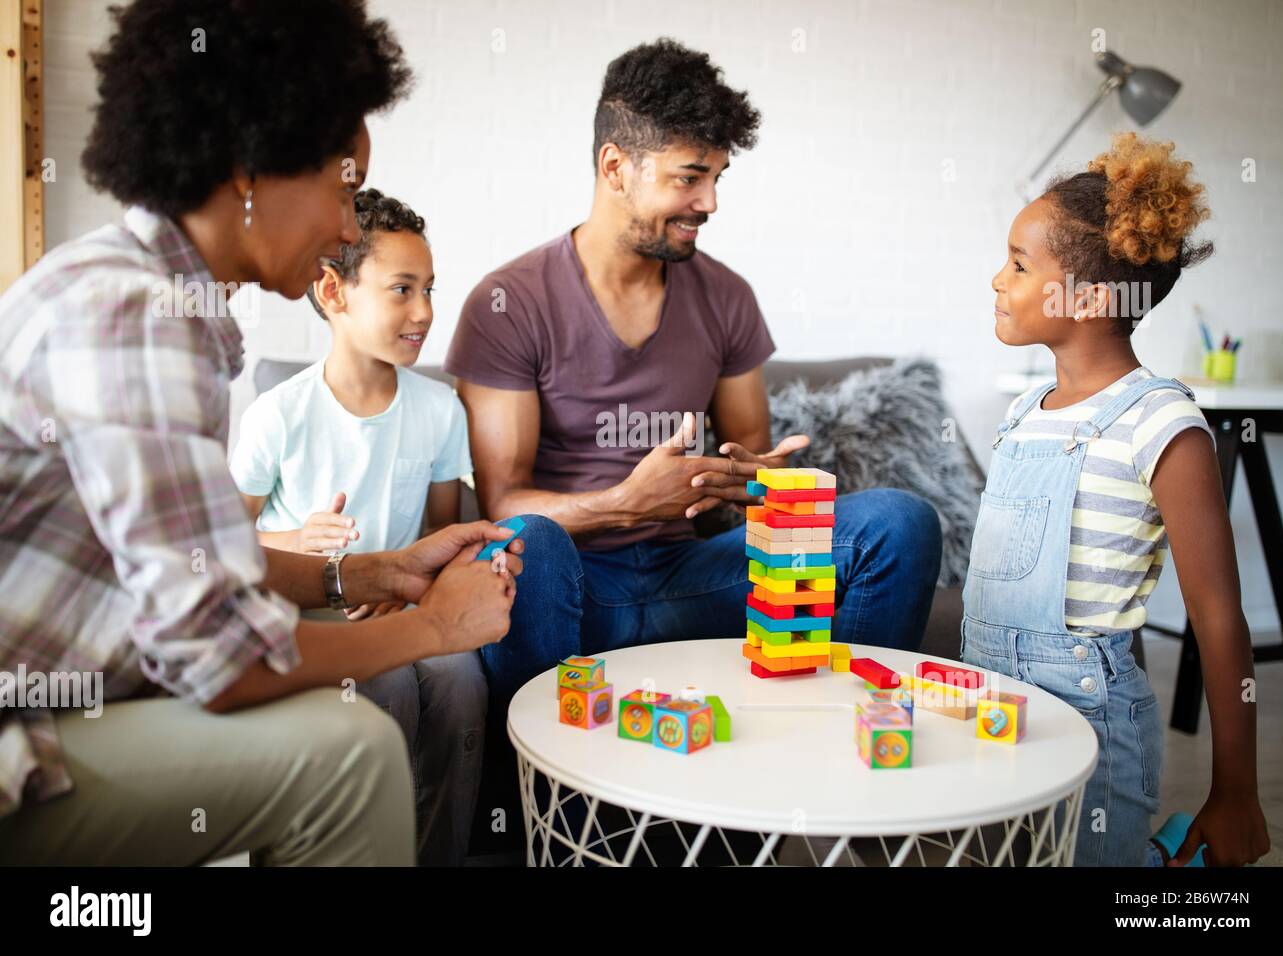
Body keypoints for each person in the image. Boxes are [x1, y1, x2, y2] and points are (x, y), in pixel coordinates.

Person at [0, 0, 520, 866]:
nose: (347, 228)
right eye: (343, 187)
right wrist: (434, 628)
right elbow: (216, 656)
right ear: (250, 169)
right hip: (23, 734)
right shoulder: (138, 313)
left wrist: (377, 570)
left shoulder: (142, 292)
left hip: (60, 693)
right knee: (350, 753)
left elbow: (189, 566)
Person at [445, 38, 943, 688]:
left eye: (716, 179)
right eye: (689, 178)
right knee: (522, 541)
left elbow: (756, 476)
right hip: (570, 585)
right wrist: (626, 503)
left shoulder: (726, 296)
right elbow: (503, 501)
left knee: (899, 524)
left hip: (693, 579)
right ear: (615, 166)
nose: (710, 203)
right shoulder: (509, 302)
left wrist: (751, 479)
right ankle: (543, 776)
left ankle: (840, 746)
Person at [964, 132, 1270, 866]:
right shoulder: (1022, 412)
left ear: (1094, 297)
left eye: (1018, 264)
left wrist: (1236, 792)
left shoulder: (1161, 423)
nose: (997, 281)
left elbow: (1220, 619)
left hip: (1088, 713)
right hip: (986, 700)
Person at [231, 187, 492, 865]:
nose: (426, 311)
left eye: (430, 289)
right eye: (402, 290)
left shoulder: (440, 410)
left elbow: (443, 535)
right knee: (388, 684)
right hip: (317, 607)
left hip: (403, 597)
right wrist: (294, 541)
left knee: (462, 678)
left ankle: (442, 855)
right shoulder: (276, 415)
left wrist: (412, 589)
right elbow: (224, 549)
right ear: (333, 292)